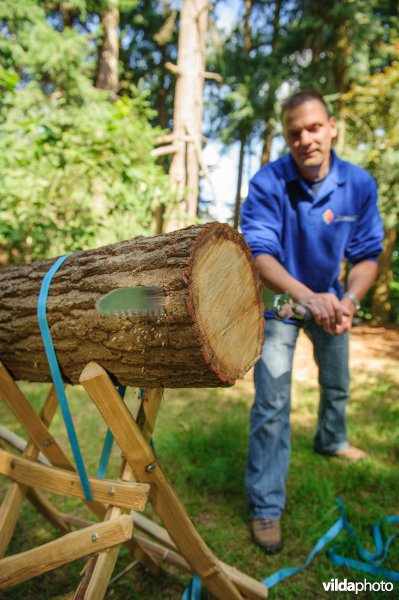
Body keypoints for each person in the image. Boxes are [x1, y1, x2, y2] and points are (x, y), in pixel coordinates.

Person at [240, 89, 383, 554]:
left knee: (337, 381)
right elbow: (260, 256)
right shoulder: (267, 183)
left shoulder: (359, 184)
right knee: (272, 401)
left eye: (314, 127)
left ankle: (331, 439)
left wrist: (348, 299)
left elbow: (366, 255)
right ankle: (266, 505)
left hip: (329, 298)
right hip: (281, 301)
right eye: (294, 132)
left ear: (332, 126)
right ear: (286, 136)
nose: (305, 138)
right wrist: (307, 298)